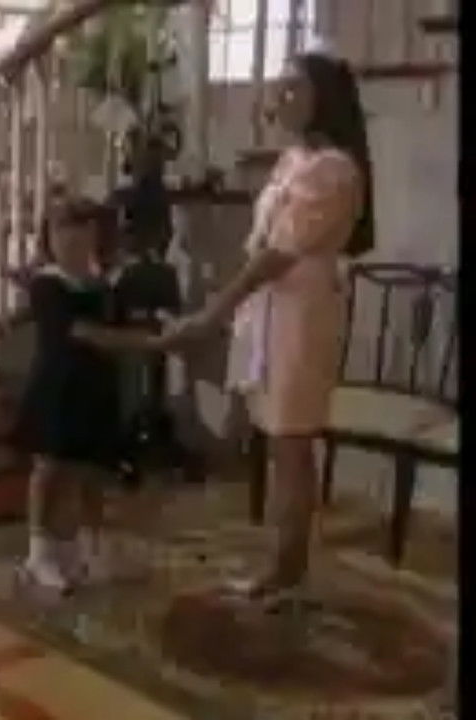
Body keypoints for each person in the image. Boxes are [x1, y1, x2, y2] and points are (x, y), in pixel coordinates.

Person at [159, 51, 372, 599]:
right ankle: (284, 562)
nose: (280, 97)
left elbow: (279, 254)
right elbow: (260, 246)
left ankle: (285, 570)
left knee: (292, 442)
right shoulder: (294, 160)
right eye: (279, 87)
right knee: (279, 441)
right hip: (271, 311)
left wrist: (214, 312)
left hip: (301, 314)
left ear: (324, 98)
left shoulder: (334, 169)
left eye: (293, 88)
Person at [10, 198, 160, 595]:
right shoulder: (47, 284)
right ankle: (38, 552)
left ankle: (88, 546)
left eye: (81, 232)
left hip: (96, 385)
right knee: (49, 468)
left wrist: (150, 332)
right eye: (62, 232)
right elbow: (82, 332)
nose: (72, 241)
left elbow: (119, 323)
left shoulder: (101, 283)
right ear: (49, 239)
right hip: (59, 385)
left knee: (90, 470)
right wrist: (147, 342)